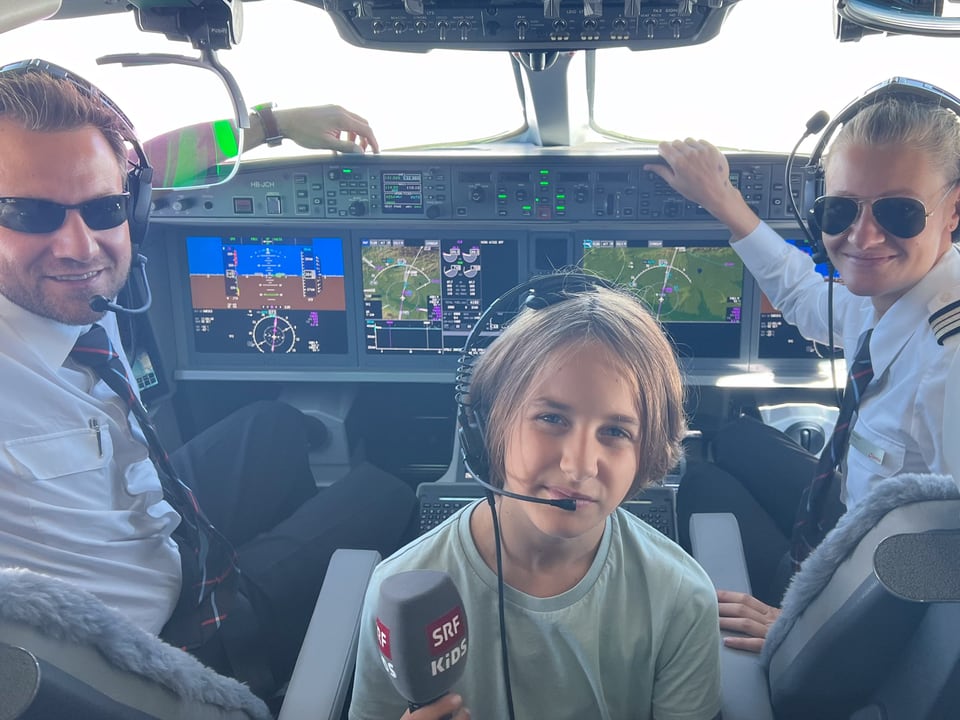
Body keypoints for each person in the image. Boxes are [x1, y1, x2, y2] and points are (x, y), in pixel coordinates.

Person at [0, 60, 416, 703]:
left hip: (156, 529)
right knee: (386, 493)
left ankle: (284, 603)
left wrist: (272, 124)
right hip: (162, 645)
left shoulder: (73, 285)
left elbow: (149, 163)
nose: (78, 246)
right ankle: (282, 641)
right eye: (29, 214)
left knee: (272, 426)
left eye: (105, 208)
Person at [644, 90, 960, 652]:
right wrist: (723, 200)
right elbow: (811, 302)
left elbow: (947, 563)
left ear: (954, 210)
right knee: (732, 439)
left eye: (898, 211)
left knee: (700, 480)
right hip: (854, 522)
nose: (862, 238)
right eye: (840, 209)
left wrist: (801, 626)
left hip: (866, 599)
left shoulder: (950, 361)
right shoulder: (895, 288)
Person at [350, 276, 722, 720]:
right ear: (487, 428)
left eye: (616, 432)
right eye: (551, 418)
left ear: (648, 452)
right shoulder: (399, 595)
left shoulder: (681, 597)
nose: (580, 466)